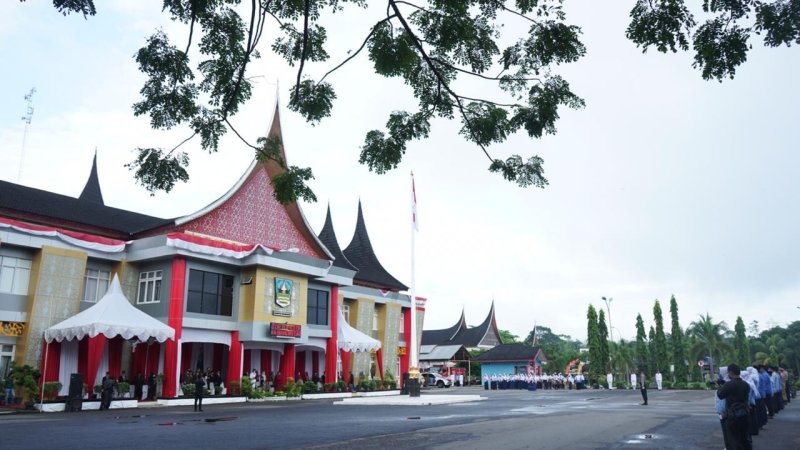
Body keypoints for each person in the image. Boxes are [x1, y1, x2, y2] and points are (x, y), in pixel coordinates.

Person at [717, 364, 751, 450]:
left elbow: (720, 395)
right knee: (744, 437)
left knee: (734, 438)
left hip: (733, 414)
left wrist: (720, 387)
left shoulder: (729, 384)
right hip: (744, 412)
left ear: (731, 372)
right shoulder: (746, 384)